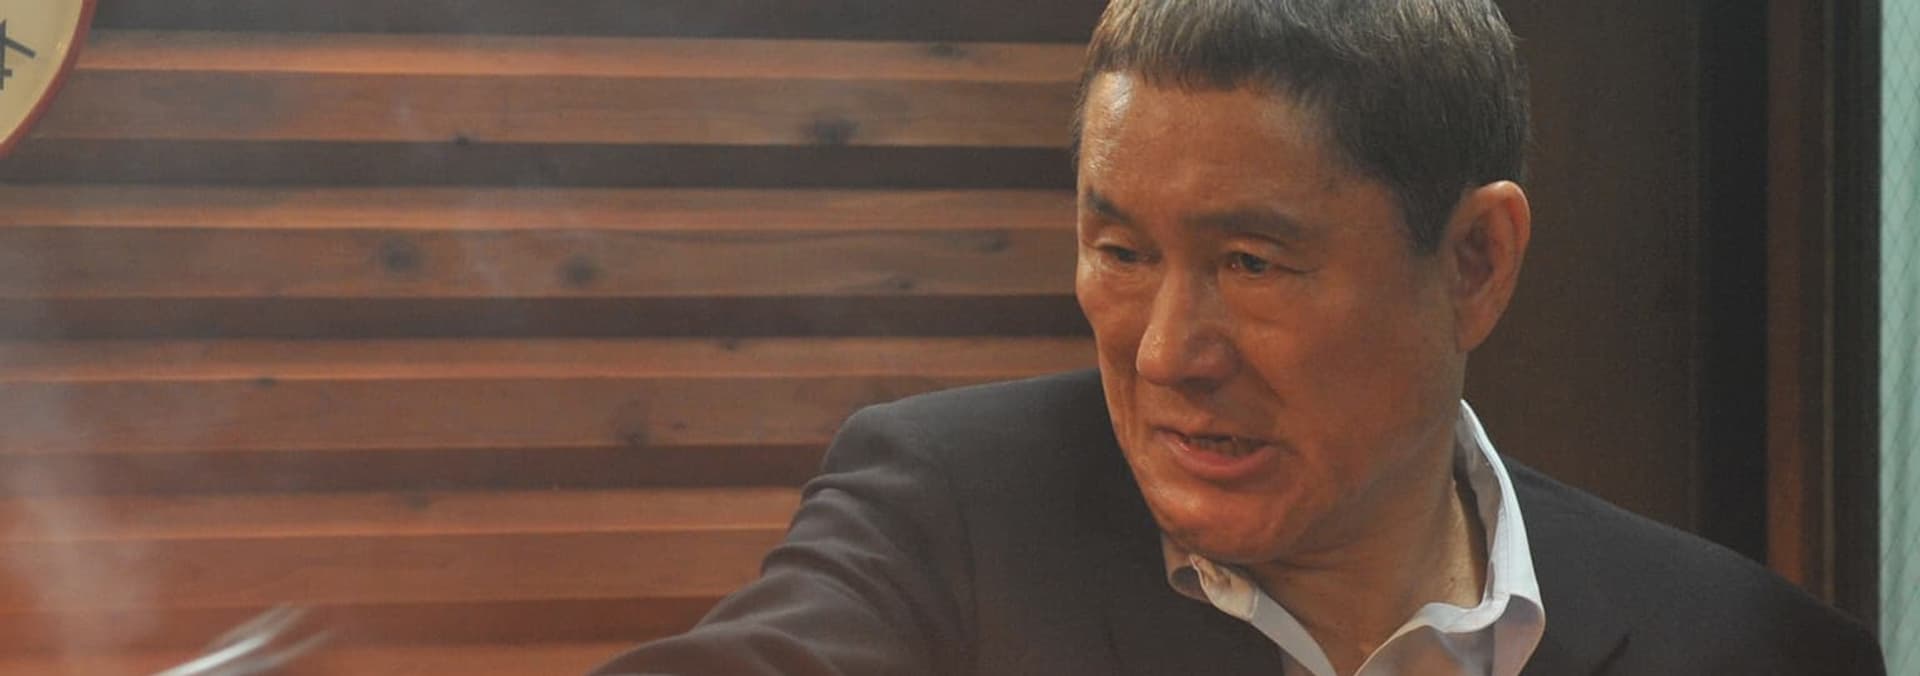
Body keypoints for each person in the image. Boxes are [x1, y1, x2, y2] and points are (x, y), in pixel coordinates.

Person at [592, 0, 1887, 674]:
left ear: (1475, 263)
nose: (1167, 354)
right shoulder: (951, 520)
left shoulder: (1752, 651)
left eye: (1250, 264)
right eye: (1121, 253)